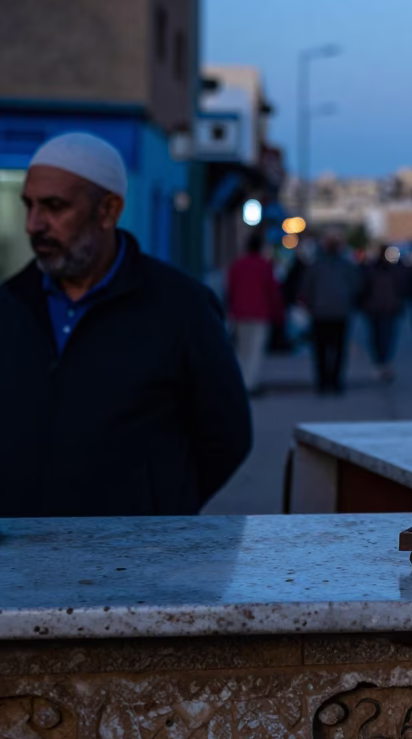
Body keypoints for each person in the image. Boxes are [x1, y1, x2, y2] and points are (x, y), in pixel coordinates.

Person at [0, 132, 252, 517]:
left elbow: (227, 437)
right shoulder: (10, 304)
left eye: (54, 207)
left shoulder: (181, 308)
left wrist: (159, 509)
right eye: (29, 205)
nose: (34, 224)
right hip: (19, 558)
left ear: (108, 211)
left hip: (134, 563)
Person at [300, 231, 362, 394]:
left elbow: (307, 288)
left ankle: (323, 382)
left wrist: (312, 305)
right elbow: (355, 286)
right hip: (339, 312)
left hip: (320, 313)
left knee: (321, 349)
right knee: (338, 349)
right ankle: (335, 382)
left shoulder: (316, 265)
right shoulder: (345, 265)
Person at [226, 232, 283, 394]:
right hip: (260, 313)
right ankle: (250, 383)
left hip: (240, 312)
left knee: (242, 349)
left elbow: (230, 289)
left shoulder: (237, 265)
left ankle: (240, 381)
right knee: (255, 350)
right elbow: (272, 291)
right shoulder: (264, 266)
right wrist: (277, 313)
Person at [361, 247, 407, 382]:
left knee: (387, 337)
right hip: (374, 309)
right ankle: (380, 362)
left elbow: (402, 288)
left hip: (389, 309)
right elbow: (364, 289)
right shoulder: (371, 270)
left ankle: (385, 363)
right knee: (376, 337)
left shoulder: (395, 271)